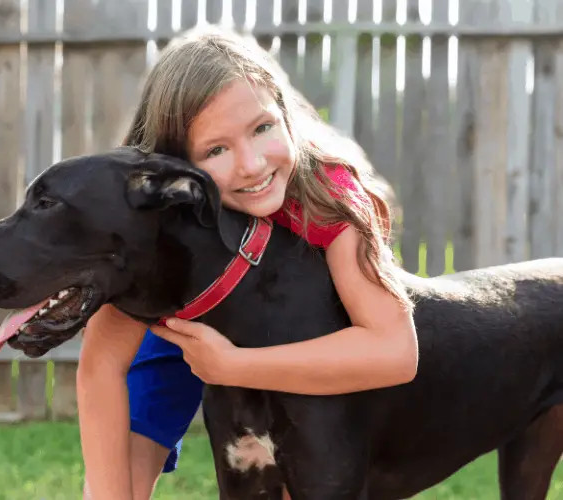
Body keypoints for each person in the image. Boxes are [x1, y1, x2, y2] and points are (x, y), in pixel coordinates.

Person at [76, 25, 418, 500]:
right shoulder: (157, 219)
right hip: (181, 331)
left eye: (262, 128)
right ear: (179, 170)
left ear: (284, 112)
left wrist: (233, 366)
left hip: (291, 334)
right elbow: (102, 367)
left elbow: (395, 352)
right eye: (215, 150)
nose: (253, 164)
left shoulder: (329, 200)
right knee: (114, 487)